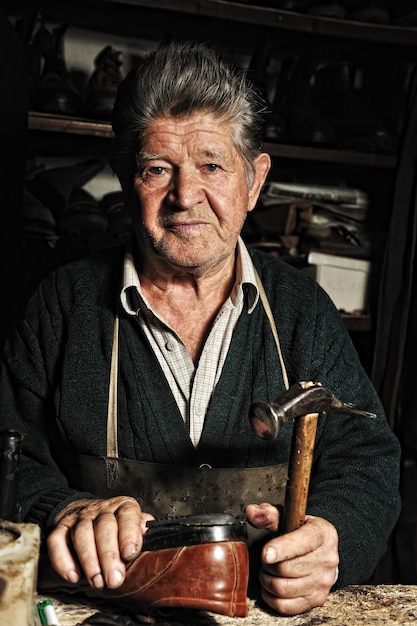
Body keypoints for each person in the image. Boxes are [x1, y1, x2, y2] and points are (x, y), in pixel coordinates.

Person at [0, 40, 401, 617]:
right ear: (124, 178)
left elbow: (366, 463)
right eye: (158, 169)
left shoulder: (301, 313)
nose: (185, 196)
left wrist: (333, 539)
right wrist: (62, 510)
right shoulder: (64, 303)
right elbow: (8, 455)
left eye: (212, 165)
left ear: (254, 180)